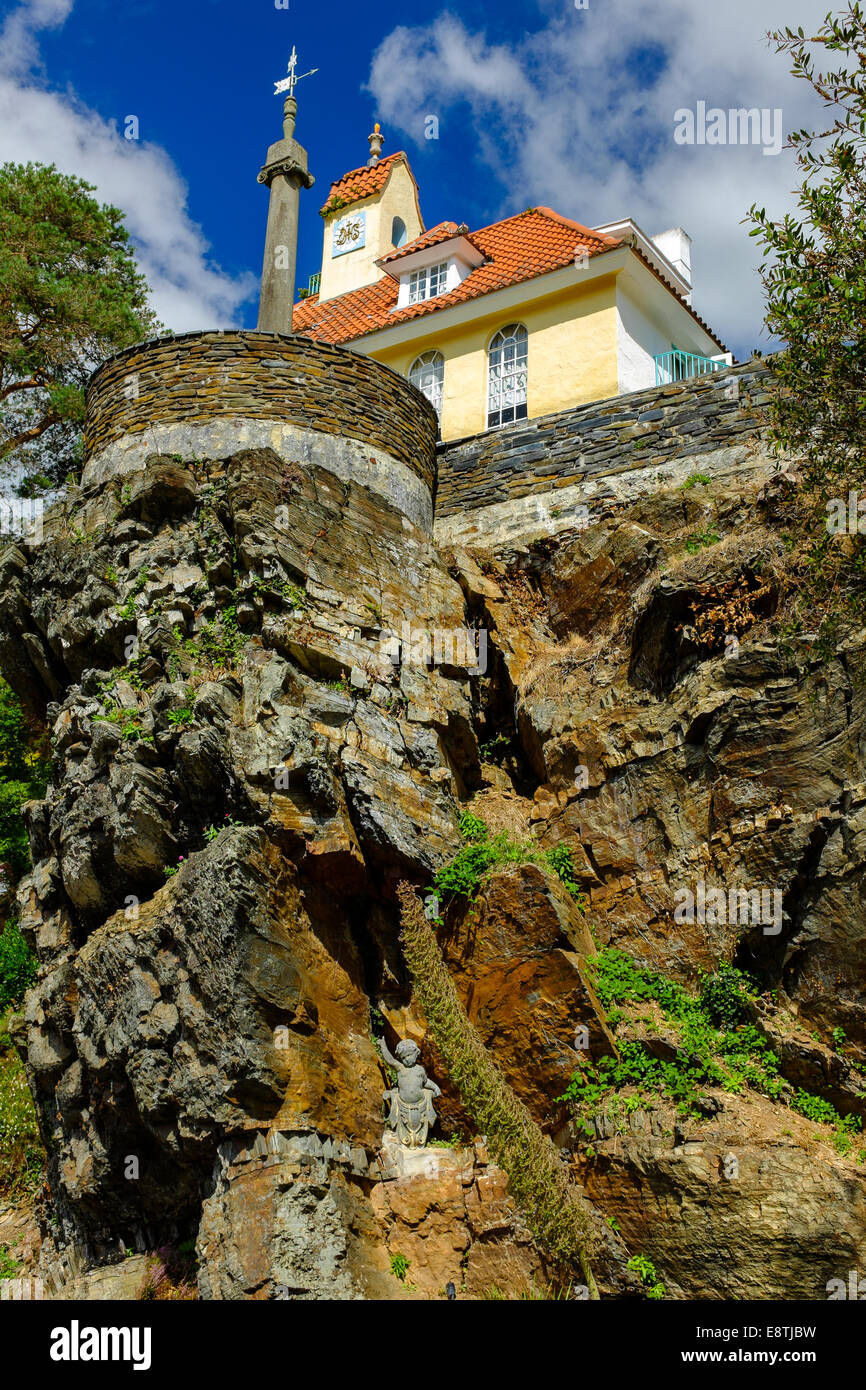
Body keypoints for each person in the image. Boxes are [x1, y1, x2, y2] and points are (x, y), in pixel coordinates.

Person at [376, 1036, 441, 1147]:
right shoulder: (400, 1068)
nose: (406, 1059)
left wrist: (435, 1087)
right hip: (402, 1106)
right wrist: (383, 1046)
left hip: (421, 1105)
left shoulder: (420, 1070)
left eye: (409, 1055)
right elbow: (390, 1060)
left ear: (416, 1054)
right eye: (403, 1057)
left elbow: (425, 1082)